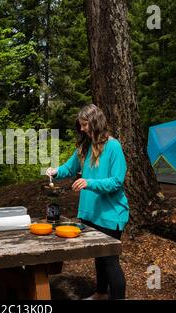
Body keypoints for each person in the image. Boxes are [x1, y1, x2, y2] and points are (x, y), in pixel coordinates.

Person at [46, 104, 129, 300]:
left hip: (110, 213)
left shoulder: (113, 146)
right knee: (99, 258)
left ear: (95, 123)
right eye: (81, 125)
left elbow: (117, 181)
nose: (82, 129)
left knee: (109, 260)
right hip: (90, 212)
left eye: (85, 125)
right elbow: (69, 167)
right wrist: (55, 171)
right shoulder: (85, 146)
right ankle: (101, 294)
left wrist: (89, 182)